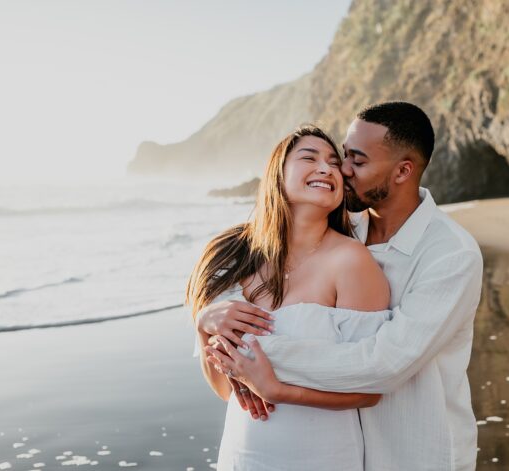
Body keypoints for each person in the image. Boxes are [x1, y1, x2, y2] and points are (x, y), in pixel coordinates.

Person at [202, 102, 484, 470]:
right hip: (331, 442)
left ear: (402, 171)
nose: (341, 169)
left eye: (357, 161)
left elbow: (385, 363)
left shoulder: (450, 255)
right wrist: (206, 319)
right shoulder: (345, 226)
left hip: (414, 450)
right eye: (343, 157)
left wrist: (254, 359)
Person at [189, 125, 391, 470]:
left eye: (333, 162)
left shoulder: (352, 261)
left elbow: (369, 390)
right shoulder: (231, 255)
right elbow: (226, 390)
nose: (327, 168)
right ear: (277, 174)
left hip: (322, 456)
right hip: (243, 454)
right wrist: (203, 326)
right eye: (309, 158)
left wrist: (278, 390)